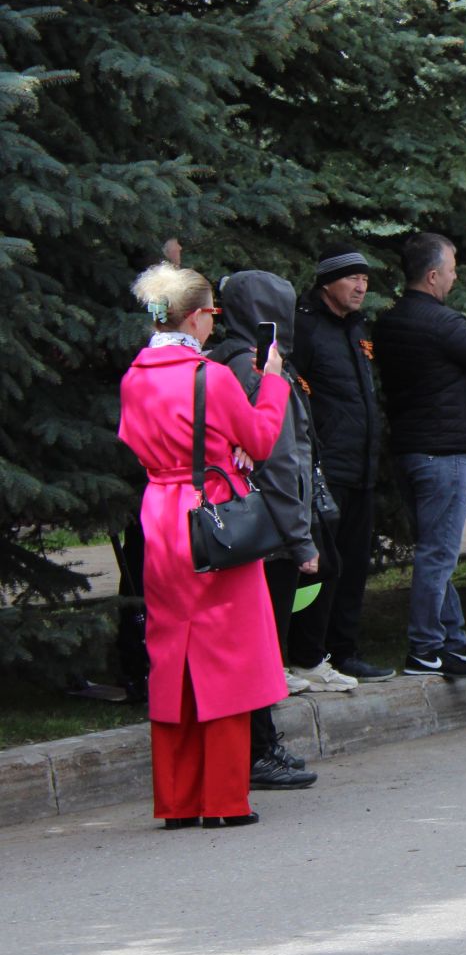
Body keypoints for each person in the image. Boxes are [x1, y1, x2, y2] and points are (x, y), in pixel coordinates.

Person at [119, 264, 291, 829]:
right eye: (212, 315)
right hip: (211, 518)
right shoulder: (210, 375)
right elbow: (261, 437)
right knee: (227, 659)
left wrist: (215, 450)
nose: (213, 326)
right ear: (195, 316)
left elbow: (146, 443)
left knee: (171, 659)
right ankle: (222, 801)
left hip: (160, 519)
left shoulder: (135, 376)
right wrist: (272, 381)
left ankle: (175, 802)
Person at [373, 232, 466, 676]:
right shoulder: (438, 322)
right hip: (444, 453)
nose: (455, 278)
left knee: (438, 551)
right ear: (433, 275)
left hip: (412, 449)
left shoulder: (392, 319)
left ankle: (453, 642)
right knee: (438, 554)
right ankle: (423, 647)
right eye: (452, 270)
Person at [209, 272, 325, 791]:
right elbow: (276, 458)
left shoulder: (226, 360)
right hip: (268, 528)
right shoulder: (256, 368)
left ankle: (259, 744)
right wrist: (300, 538)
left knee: (256, 645)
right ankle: (259, 750)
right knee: (263, 647)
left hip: (247, 522)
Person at [289, 243, 391, 683]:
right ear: (328, 281)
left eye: (365, 279)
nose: (361, 286)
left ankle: (343, 651)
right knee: (322, 566)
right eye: (353, 278)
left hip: (362, 465)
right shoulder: (304, 326)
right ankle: (305, 652)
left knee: (352, 564)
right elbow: (295, 396)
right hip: (326, 469)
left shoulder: (358, 326)